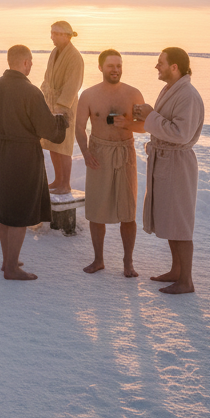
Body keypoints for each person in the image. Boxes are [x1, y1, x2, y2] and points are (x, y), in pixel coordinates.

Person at [0, 45, 68, 280]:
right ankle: (12, 268)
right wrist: (61, 122)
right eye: (30, 61)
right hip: (23, 153)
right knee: (19, 209)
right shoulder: (30, 91)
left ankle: (7, 260)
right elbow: (46, 128)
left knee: (6, 207)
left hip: (2, 150)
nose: (31, 65)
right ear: (24, 62)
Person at [127, 47, 205, 295]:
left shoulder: (188, 95)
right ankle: (176, 270)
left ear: (174, 67)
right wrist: (146, 115)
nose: (156, 66)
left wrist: (150, 115)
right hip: (164, 161)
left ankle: (186, 281)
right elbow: (162, 122)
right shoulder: (171, 89)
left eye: (160, 62)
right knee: (171, 220)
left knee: (180, 222)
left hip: (177, 163)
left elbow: (181, 134)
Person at [75, 50, 144, 277]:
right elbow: (79, 127)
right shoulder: (89, 95)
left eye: (118, 65)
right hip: (99, 153)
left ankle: (128, 262)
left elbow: (144, 126)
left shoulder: (133, 94)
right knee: (97, 210)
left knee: (128, 211)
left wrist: (127, 124)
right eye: (111, 66)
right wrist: (86, 153)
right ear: (100, 67)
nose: (115, 70)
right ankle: (98, 260)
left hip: (125, 152)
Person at [40, 20, 84, 194]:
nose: (52, 37)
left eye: (56, 34)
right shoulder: (54, 52)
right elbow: (47, 78)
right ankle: (57, 180)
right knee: (53, 143)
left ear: (66, 35)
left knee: (64, 147)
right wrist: (42, 96)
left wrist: (61, 107)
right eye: (52, 33)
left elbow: (73, 84)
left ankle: (65, 184)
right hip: (51, 104)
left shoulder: (75, 57)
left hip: (65, 107)